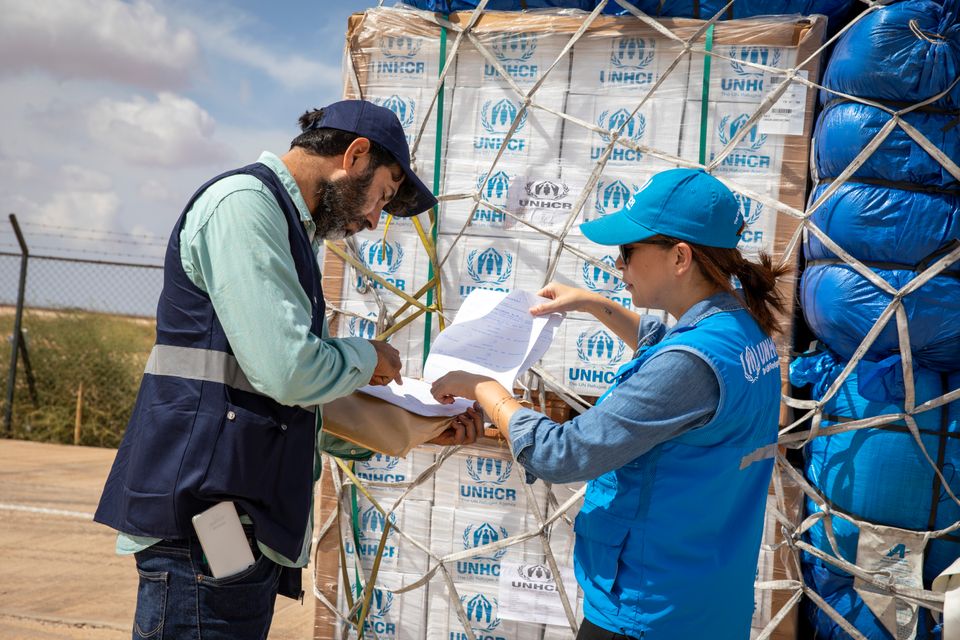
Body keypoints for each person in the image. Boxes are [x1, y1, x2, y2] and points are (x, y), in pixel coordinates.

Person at [94, 100, 483, 640]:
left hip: (234, 527)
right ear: (355, 154)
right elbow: (290, 373)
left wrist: (420, 428)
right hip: (205, 526)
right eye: (383, 195)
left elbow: (290, 401)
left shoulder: (287, 228)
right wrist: (366, 357)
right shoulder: (245, 207)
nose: (375, 218)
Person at [431, 168, 787, 640]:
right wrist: (595, 305)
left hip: (648, 610)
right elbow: (671, 358)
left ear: (680, 257)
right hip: (709, 597)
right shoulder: (743, 329)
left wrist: (483, 386)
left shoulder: (692, 365)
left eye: (628, 252)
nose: (620, 266)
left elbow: (564, 453)